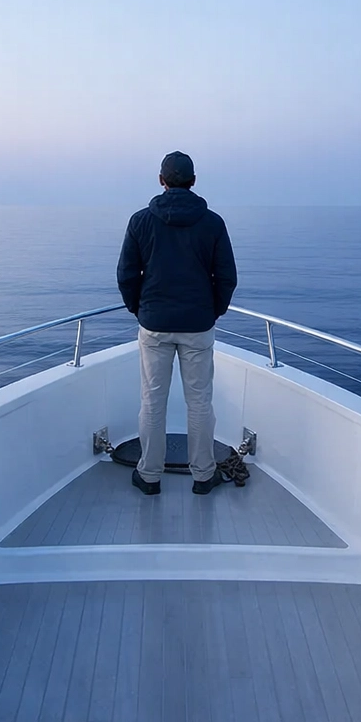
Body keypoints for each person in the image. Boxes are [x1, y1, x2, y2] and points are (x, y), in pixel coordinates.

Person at [116, 151, 238, 496]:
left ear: (161, 180)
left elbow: (126, 274)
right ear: (193, 181)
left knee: (152, 401)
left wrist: (139, 309)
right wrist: (213, 311)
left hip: (154, 323)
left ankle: (149, 476)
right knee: (199, 402)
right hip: (198, 324)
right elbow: (226, 277)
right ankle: (203, 475)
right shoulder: (212, 223)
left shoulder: (140, 221)